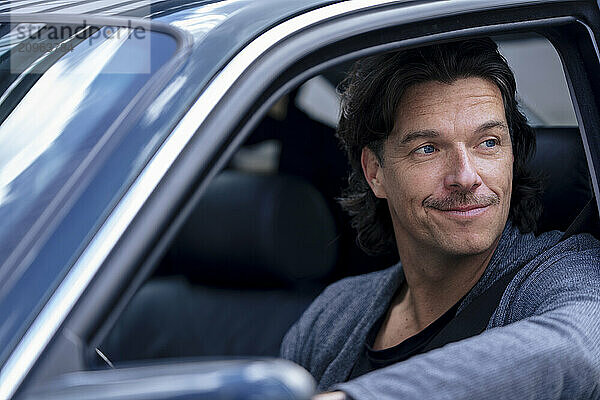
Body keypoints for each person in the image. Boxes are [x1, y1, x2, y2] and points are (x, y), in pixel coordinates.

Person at [280, 38, 600, 399]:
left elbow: (578, 349)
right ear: (375, 173)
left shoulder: (564, 271)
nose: (465, 176)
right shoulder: (334, 316)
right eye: (427, 149)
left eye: (489, 142)